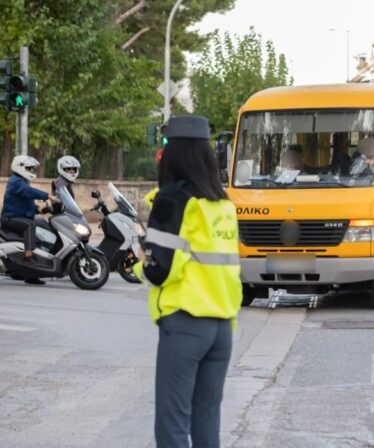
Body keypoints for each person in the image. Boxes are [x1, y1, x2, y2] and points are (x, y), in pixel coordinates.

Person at [133, 115, 242, 448]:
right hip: (222, 328)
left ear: (173, 154)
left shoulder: (172, 200)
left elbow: (160, 270)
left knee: (172, 426)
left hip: (185, 325)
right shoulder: (222, 205)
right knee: (206, 420)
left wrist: (140, 263)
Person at [1, 155, 57, 284]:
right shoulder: (15, 181)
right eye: (29, 168)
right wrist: (48, 195)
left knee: (40, 227)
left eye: (32, 169)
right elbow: (29, 192)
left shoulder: (23, 181)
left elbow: (27, 204)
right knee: (29, 225)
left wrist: (41, 210)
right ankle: (27, 257)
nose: (31, 171)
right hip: (9, 218)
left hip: (18, 216)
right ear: (20, 167)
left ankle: (31, 275)